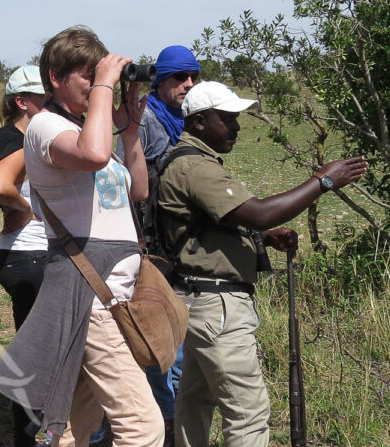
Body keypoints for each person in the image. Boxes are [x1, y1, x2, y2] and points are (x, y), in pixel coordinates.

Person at [156, 81, 368, 447]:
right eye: (228, 119)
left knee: (195, 400)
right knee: (247, 412)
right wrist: (324, 180)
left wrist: (262, 238)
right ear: (200, 121)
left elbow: (207, 226)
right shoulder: (197, 167)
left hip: (194, 300)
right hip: (217, 307)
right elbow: (260, 213)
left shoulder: (185, 160)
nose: (236, 128)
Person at [0, 26, 164, 447]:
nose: (95, 85)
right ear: (55, 77)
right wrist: (106, 84)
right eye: (86, 75)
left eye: (96, 75)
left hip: (111, 294)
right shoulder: (46, 127)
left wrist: (131, 128)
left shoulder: (89, 131)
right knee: (144, 429)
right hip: (91, 297)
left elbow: (137, 189)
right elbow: (92, 155)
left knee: (72, 425)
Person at [117, 44, 200, 447]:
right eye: (179, 78)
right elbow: (132, 186)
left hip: (176, 240)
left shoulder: (183, 117)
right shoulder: (146, 119)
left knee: (176, 335)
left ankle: (170, 420)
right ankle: (160, 423)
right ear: (161, 80)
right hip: (151, 243)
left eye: (192, 78)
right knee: (157, 339)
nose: (187, 84)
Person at [0, 65, 48, 447]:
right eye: (45, 97)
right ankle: (28, 438)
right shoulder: (11, 138)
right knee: (37, 354)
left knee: (36, 349)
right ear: (22, 102)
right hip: (30, 255)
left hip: (28, 256)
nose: (52, 103)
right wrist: (25, 209)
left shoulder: (30, 136)